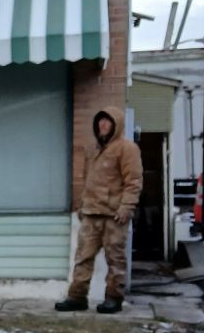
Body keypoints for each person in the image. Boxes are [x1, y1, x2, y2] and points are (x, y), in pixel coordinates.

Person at [56, 106, 142, 315]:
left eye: (107, 121)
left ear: (116, 124)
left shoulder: (127, 148)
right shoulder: (92, 149)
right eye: (100, 121)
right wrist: (82, 205)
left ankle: (113, 298)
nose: (103, 125)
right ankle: (77, 297)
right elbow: (88, 180)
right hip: (91, 213)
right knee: (82, 257)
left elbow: (134, 182)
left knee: (116, 260)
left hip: (114, 216)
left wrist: (126, 208)